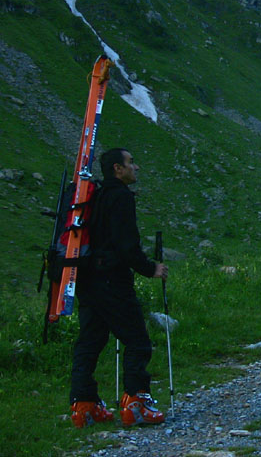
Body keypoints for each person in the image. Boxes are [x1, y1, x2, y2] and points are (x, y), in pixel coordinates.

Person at [69, 147, 169, 428]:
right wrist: (152, 269)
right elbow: (127, 247)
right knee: (137, 340)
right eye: (131, 162)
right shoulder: (121, 197)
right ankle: (136, 402)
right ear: (117, 168)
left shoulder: (97, 195)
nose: (136, 168)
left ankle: (83, 405)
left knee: (90, 341)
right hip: (113, 280)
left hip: (88, 279)